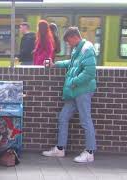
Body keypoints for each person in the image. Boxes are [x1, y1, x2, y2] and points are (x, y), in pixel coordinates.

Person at [42, 27, 97, 163]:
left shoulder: (87, 48)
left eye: (68, 41)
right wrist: (55, 65)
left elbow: (90, 72)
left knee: (85, 120)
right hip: (74, 90)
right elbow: (71, 64)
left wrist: (74, 82)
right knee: (63, 117)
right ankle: (60, 149)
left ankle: (89, 152)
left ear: (74, 37)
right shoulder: (77, 49)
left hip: (82, 90)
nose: (68, 44)